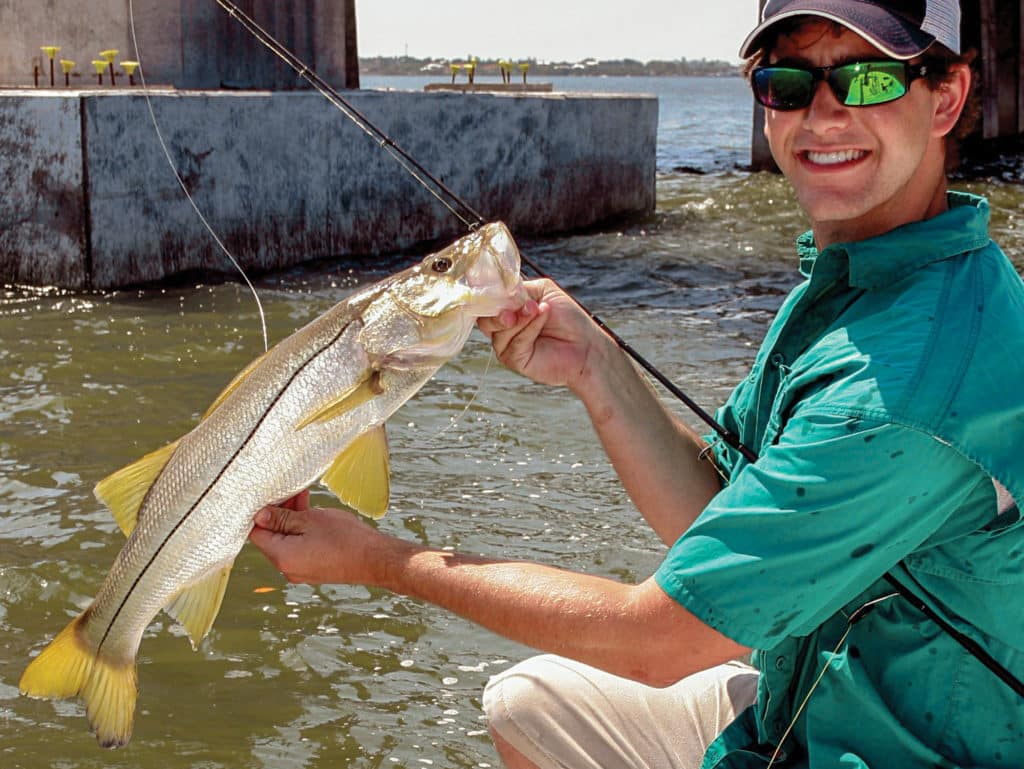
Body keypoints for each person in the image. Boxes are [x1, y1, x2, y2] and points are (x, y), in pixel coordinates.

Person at [249, 1, 1024, 766]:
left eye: (866, 82)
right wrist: (596, 363)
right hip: (808, 703)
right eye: (786, 83)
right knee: (528, 706)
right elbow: (715, 508)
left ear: (947, 95)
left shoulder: (899, 383)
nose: (821, 115)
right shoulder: (862, 282)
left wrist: (380, 561)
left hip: (899, 744)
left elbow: (661, 641)